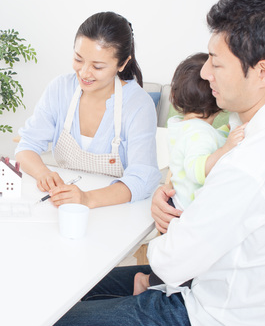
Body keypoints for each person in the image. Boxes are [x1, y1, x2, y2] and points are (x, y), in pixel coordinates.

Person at [16, 0, 265, 326]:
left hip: (207, 325)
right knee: (68, 291)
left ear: (263, 72)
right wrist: (171, 203)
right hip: (220, 288)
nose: (204, 73)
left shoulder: (251, 162)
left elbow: (172, 261)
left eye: (216, 63)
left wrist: (165, 233)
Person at [15, 12, 160, 208]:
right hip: (65, 206)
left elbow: (142, 179)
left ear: (123, 63)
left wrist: (87, 199)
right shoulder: (60, 89)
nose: (84, 73)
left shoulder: (138, 104)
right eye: (78, 59)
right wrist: (44, 174)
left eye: (97, 67)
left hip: (115, 208)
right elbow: (26, 146)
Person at [133, 53, 246, 295]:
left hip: (176, 201)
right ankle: (146, 283)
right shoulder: (201, 134)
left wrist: (225, 134)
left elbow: (207, 140)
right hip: (183, 210)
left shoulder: (182, 126)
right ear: (217, 100)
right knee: (182, 270)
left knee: (176, 263)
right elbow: (197, 169)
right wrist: (227, 147)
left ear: (175, 96)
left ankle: (149, 281)